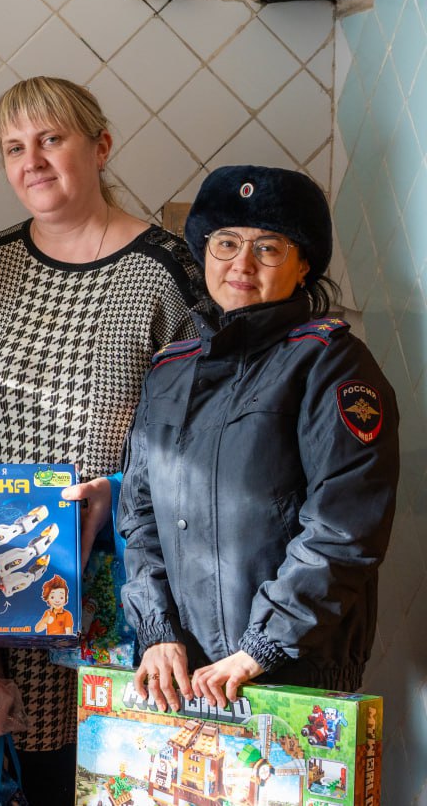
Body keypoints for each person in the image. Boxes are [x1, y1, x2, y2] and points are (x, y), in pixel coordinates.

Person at [0, 76, 205, 804]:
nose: (33, 161)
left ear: (101, 146)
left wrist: (113, 495)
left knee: (105, 777)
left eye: (51, 139)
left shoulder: (165, 272)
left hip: (116, 585)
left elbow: (200, 438)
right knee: (8, 776)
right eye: (13, 147)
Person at [118, 165, 399, 711]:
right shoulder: (169, 370)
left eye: (268, 248)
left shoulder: (331, 363)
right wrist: (157, 631)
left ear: (303, 265)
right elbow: (141, 516)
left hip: (293, 669)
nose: (241, 264)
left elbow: (345, 527)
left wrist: (261, 645)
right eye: (226, 243)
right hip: (186, 672)